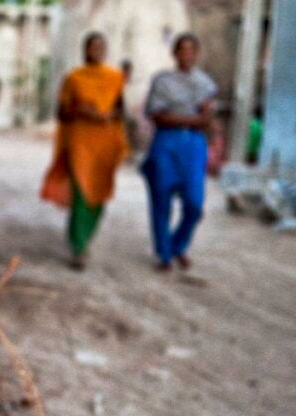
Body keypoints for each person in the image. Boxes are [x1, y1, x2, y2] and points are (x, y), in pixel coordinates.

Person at [40, 32, 128, 270]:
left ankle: (84, 236)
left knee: (98, 192)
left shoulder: (115, 78)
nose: (97, 50)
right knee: (81, 191)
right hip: (79, 142)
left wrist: (108, 115)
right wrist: (81, 111)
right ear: (85, 50)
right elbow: (62, 112)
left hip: (105, 144)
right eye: (93, 46)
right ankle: (79, 247)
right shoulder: (75, 78)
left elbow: (121, 109)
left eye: (101, 46)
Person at [141, 32, 218, 272]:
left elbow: (207, 117)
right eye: (182, 49)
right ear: (174, 53)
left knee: (194, 203)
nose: (187, 54)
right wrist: (192, 118)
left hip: (194, 144)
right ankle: (164, 254)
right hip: (166, 142)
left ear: (197, 54)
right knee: (161, 198)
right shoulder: (162, 81)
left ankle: (178, 244)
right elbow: (156, 115)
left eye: (191, 50)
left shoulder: (205, 83)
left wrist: (192, 120)